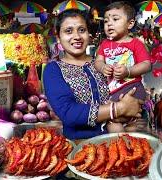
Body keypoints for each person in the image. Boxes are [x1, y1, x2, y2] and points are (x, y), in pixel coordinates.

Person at [43, 9, 143, 140]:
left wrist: (129, 108)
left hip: (119, 142)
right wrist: (117, 109)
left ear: (88, 34)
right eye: (68, 31)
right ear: (58, 37)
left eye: (81, 30)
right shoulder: (53, 70)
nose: (77, 36)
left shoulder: (105, 62)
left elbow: (129, 95)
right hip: (81, 148)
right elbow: (68, 113)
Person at [94, 1, 151, 132]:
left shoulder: (136, 43)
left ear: (130, 23)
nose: (109, 24)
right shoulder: (104, 44)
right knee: (113, 123)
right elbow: (98, 61)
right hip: (113, 91)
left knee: (124, 122)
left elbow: (146, 64)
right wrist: (103, 67)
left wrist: (128, 71)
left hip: (133, 88)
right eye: (106, 21)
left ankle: (131, 130)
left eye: (115, 19)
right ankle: (121, 144)